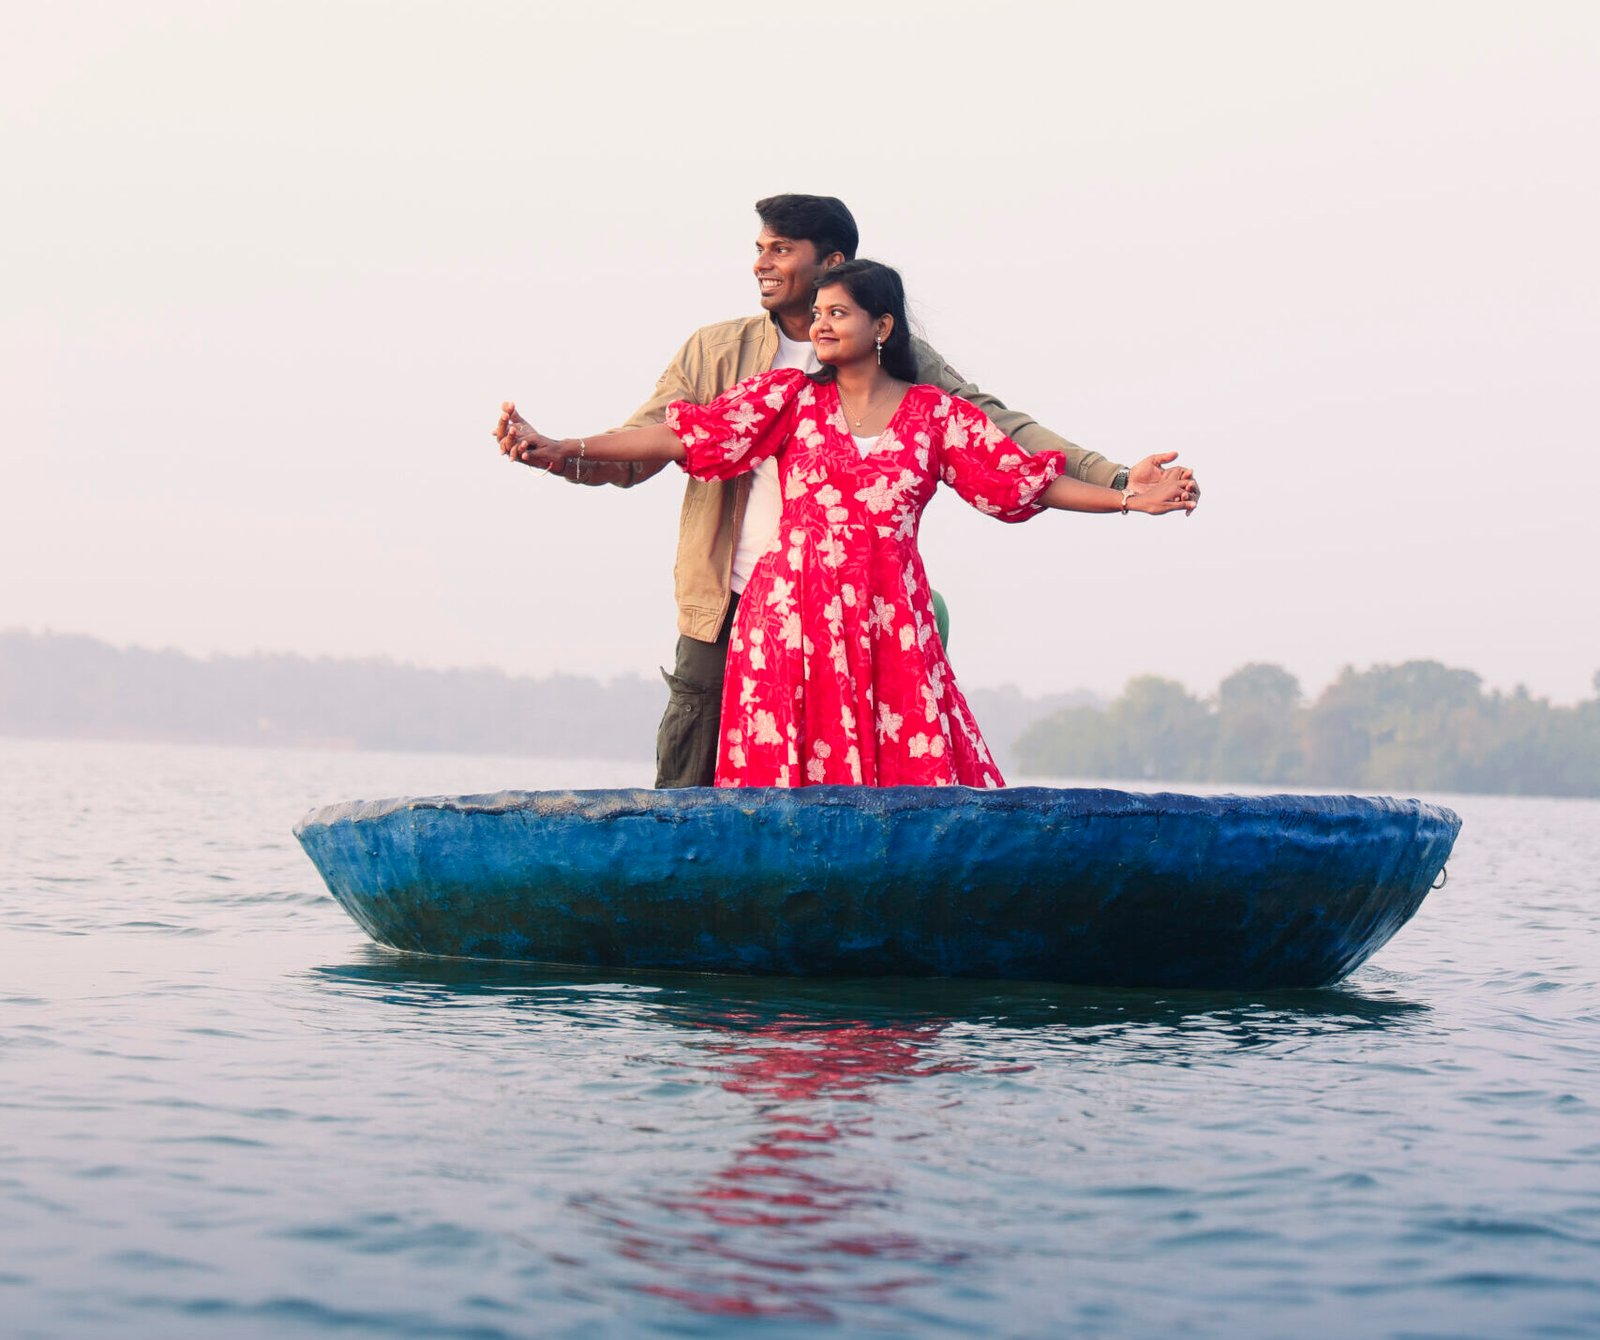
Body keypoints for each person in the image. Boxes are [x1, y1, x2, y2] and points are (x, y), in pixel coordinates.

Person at [496, 194, 1199, 787]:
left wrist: (1121, 486)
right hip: (748, 599)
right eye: (759, 249)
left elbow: (1010, 451)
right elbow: (665, 438)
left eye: (780, 250)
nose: (761, 264)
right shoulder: (754, 374)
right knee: (697, 766)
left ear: (841, 273)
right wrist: (563, 451)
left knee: (891, 775)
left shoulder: (923, 394)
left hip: (881, 613)